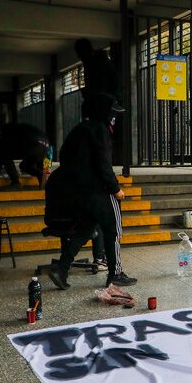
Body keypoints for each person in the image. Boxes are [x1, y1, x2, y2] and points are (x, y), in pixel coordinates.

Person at [46, 92, 136, 289]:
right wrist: (116, 189)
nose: (114, 117)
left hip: (80, 194)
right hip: (100, 192)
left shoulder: (78, 130)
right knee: (113, 230)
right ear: (104, 112)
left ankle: (61, 269)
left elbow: (65, 160)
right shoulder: (100, 130)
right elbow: (103, 164)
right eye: (113, 112)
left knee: (84, 230)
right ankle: (115, 273)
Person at [0, 123, 50, 189]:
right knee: (24, 166)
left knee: (6, 156)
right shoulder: (23, 128)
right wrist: (41, 169)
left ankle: (16, 183)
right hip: (45, 144)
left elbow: (0, 149)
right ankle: (40, 174)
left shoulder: (8, 132)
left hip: (32, 143)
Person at [74, 38, 121, 111]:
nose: (81, 58)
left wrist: (97, 94)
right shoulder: (90, 63)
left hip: (105, 100)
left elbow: (112, 79)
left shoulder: (98, 61)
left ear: (86, 51)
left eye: (81, 55)